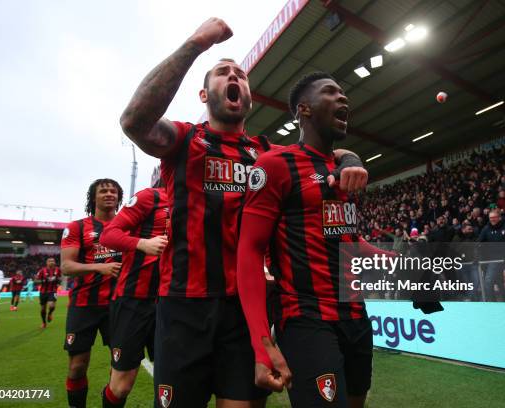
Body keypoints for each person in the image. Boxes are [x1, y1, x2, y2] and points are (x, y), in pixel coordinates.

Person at [120, 18, 367, 408]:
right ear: (204, 95)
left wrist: (350, 156)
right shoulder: (185, 139)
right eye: (223, 73)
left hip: (245, 309)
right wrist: (196, 44)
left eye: (241, 75)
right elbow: (134, 121)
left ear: (249, 96)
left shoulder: (268, 154)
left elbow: (326, 156)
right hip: (184, 305)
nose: (234, 75)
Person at [237, 72, 374, 408]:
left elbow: (352, 246)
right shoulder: (276, 165)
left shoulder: (346, 172)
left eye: (344, 93)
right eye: (331, 92)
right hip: (306, 319)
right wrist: (261, 343)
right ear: (304, 110)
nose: (343, 98)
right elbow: (249, 253)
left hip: (356, 317)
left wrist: (412, 271)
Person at [99, 175, 168, 408]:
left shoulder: (195, 201)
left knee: (172, 380)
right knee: (121, 386)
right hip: (134, 301)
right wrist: (143, 244)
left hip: (174, 304)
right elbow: (108, 234)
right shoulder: (151, 196)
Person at [61, 179, 123, 408]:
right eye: (103, 190)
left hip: (119, 305)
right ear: (93, 197)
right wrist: (100, 267)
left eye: (113, 191)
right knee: (77, 366)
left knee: (119, 366)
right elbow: (67, 267)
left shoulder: (128, 226)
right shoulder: (77, 227)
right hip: (83, 305)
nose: (109, 194)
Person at [478, 209, 505, 301]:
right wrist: (478, 257)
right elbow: (479, 244)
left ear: (499, 217)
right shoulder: (486, 229)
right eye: (490, 218)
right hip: (493, 260)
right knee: (488, 282)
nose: (492, 219)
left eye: (494, 217)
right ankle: (493, 304)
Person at [35, 257, 62, 328]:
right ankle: (44, 322)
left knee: (52, 305)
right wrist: (43, 281)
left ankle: (50, 314)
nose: (51, 262)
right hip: (43, 292)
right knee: (43, 308)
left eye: (53, 261)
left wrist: (58, 281)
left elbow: (60, 278)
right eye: (50, 261)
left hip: (53, 291)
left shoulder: (58, 270)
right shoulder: (42, 270)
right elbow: (36, 281)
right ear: (47, 263)